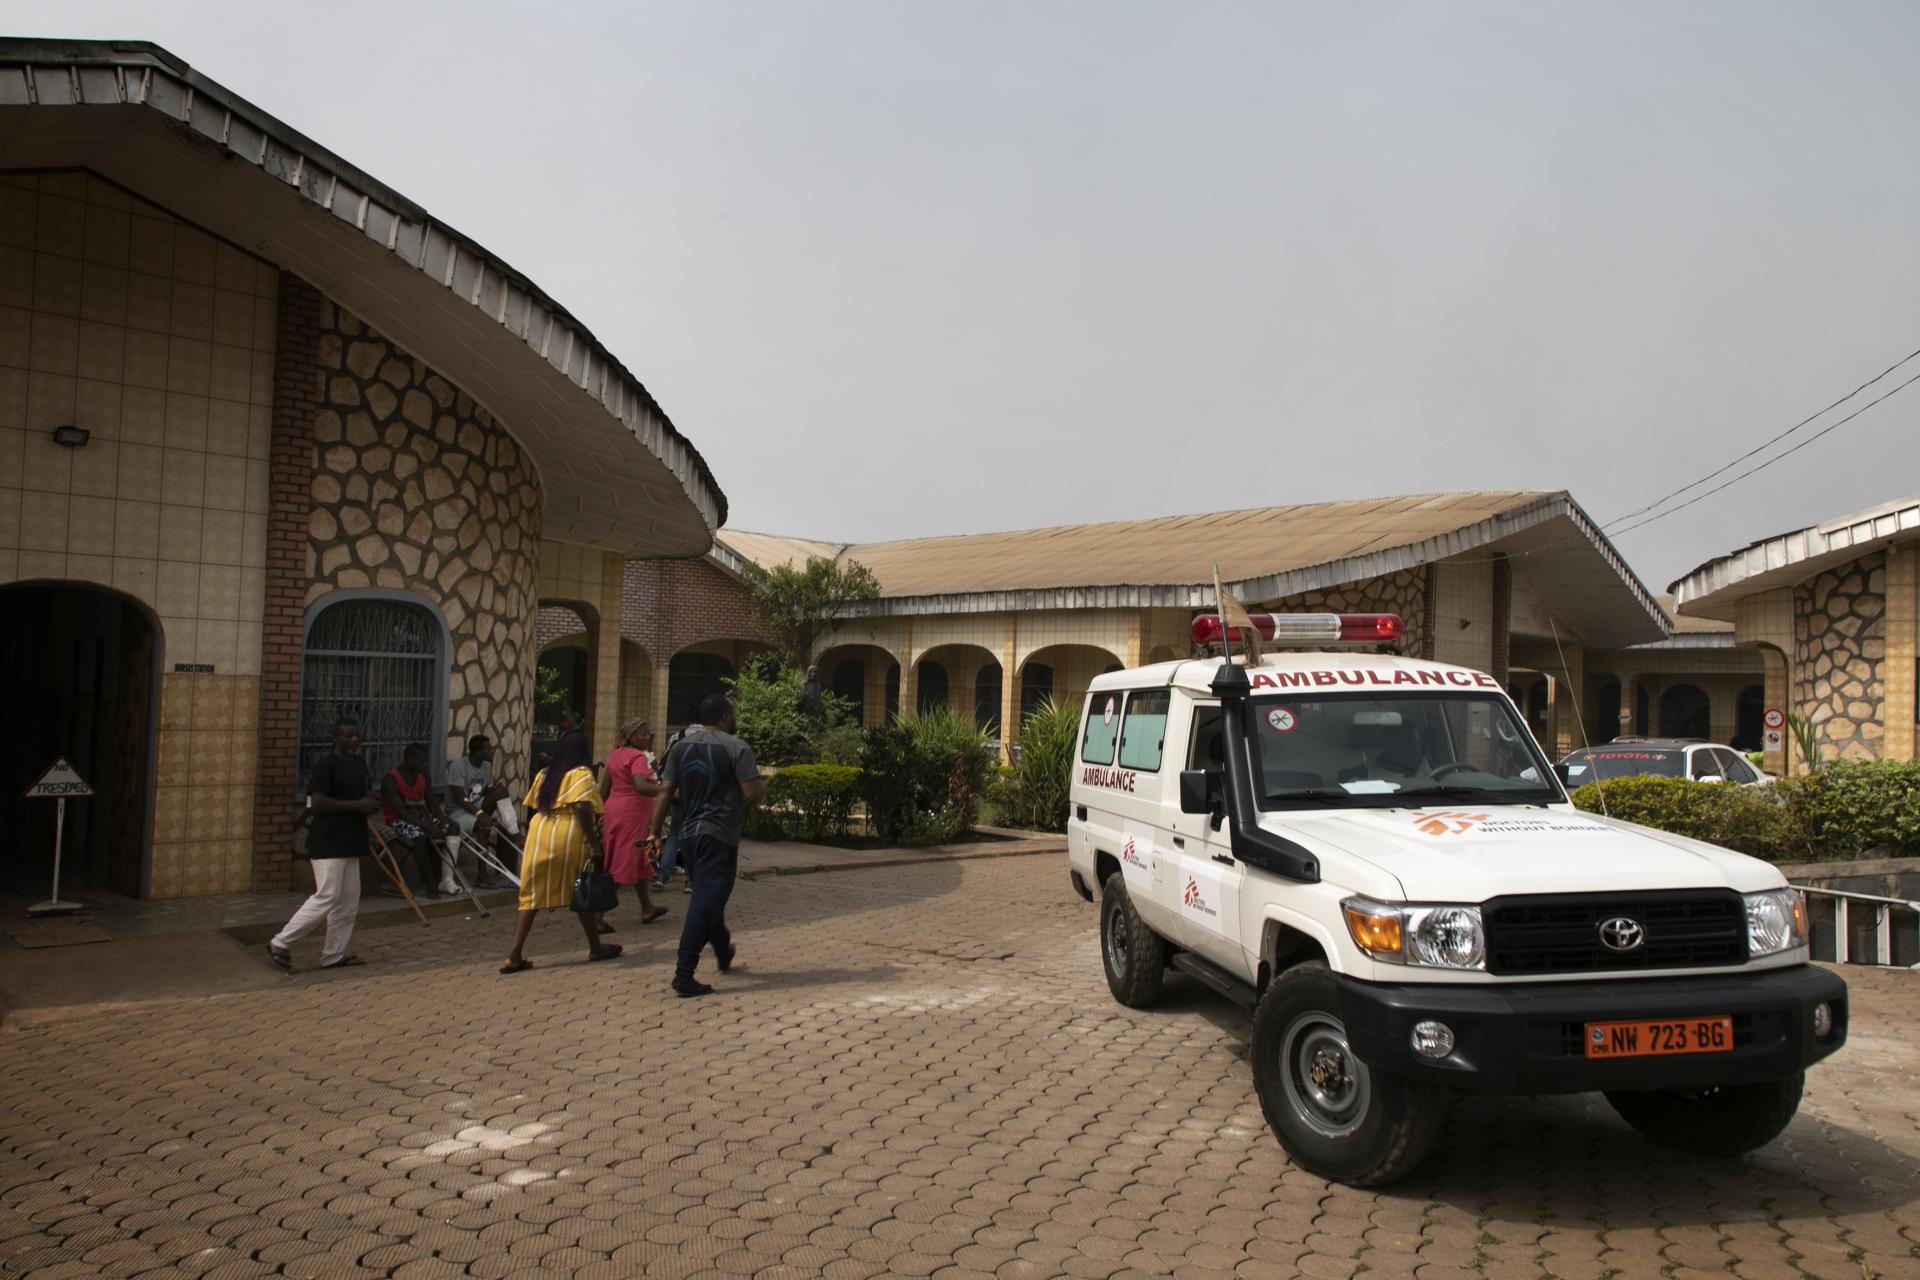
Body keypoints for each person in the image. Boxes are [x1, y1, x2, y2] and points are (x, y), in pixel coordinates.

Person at [646, 693, 764, 997]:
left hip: (688, 834)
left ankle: (723, 950)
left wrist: (653, 833)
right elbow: (753, 793)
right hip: (719, 834)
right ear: (725, 717)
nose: (734, 719)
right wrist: (761, 786)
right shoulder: (737, 748)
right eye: (733, 714)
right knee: (705, 900)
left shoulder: (680, 747)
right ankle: (684, 973)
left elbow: (664, 792)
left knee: (710, 897)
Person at [501, 728, 619, 974]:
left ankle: (514, 954)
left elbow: (534, 806)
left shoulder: (545, 773)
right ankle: (596, 948)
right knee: (580, 890)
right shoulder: (581, 774)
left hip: (540, 831)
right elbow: (581, 810)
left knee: (529, 897)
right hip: (569, 834)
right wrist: (595, 845)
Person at [269, 717, 377, 970]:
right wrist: (355, 805)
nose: (354, 740)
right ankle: (280, 942)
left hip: (352, 840)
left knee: (349, 901)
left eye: (357, 735)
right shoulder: (325, 766)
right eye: (348, 736)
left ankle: (334, 954)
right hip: (328, 841)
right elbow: (316, 802)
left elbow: (362, 795)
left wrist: (368, 805)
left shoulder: (360, 764)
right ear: (335, 739)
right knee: (327, 896)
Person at [600, 717, 668, 925]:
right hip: (633, 817)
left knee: (639, 858)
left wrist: (600, 812)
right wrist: (666, 791)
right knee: (622, 864)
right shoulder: (638, 758)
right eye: (642, 734)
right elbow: (640, 785)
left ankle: (647, 908)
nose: (647, 737)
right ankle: (597, 917)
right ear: (630, 736)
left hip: (615, 812)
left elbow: (604, 787)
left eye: (648, 733)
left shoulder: (615, 756)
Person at [380, 743, 458, 897]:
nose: (423, 765)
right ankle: (430, 884)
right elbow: (400, 813)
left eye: (424, 762)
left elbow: (432, 805)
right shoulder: (391, 780)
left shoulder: (423, 775)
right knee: (419, 836)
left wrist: (444, 820)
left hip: (422, 817)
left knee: (452, 828)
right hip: (397, 821)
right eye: (420, 762)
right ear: (409, 759)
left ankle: (446, 879)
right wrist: (427, 826)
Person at [446, 734, 511, 887]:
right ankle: (482, 876)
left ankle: (512, 828)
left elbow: (485, 790)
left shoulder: (486, 766)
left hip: (476, 806)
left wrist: (495, 790)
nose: (492, 752)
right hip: (458, 812)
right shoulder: (458, 766)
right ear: (478, 752)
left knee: (501, 792)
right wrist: (481, 815)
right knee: (484, 826)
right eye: (489, 749)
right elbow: (460, 799)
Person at [654, 718, 703, 893]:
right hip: (698, 794)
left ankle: (662, 876)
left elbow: (664, 762)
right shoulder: (709, 738)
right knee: (693, 837)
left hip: (676, 791)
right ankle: (690, 881)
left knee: (674, 834)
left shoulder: (677, 736)